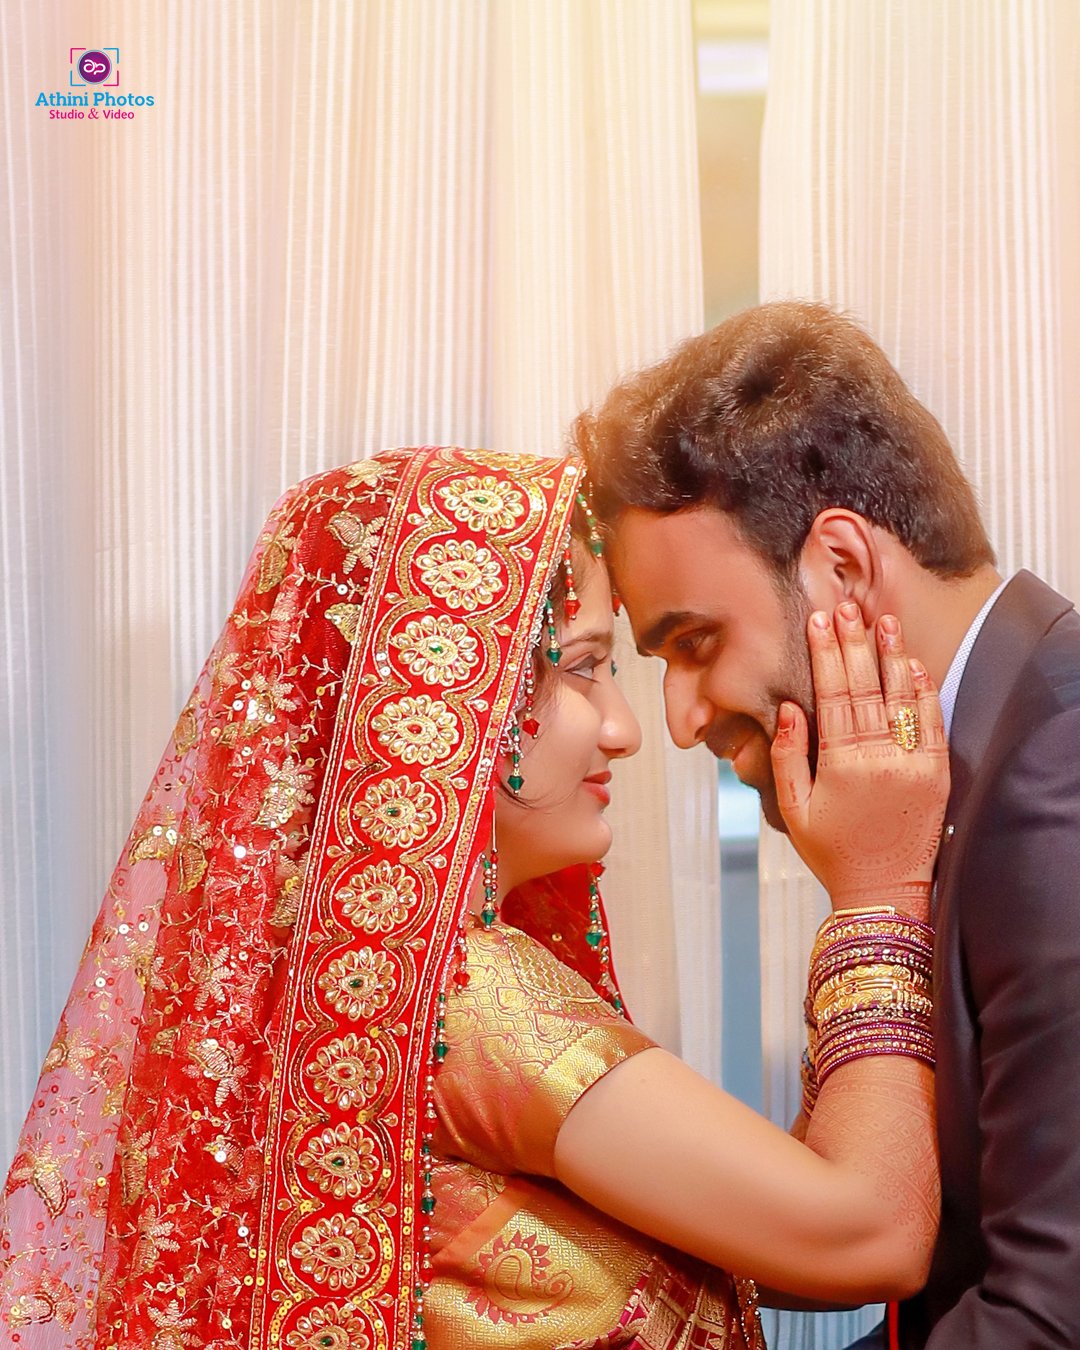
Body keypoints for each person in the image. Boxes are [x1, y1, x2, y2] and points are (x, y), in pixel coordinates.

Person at [1, 445, 947, 1350]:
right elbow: (869, 1233)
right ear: (445, 697)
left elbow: (771, 1228)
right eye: (581, 667)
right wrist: (877, 893)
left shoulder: (359, 993)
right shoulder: (468, 995)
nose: (624, 728)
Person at [579, 299, 1080, 1349]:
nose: (676, 721)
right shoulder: (964, 769)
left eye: (695, 642)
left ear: (844, 570)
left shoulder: (1057, 764)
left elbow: (1050, 1317)